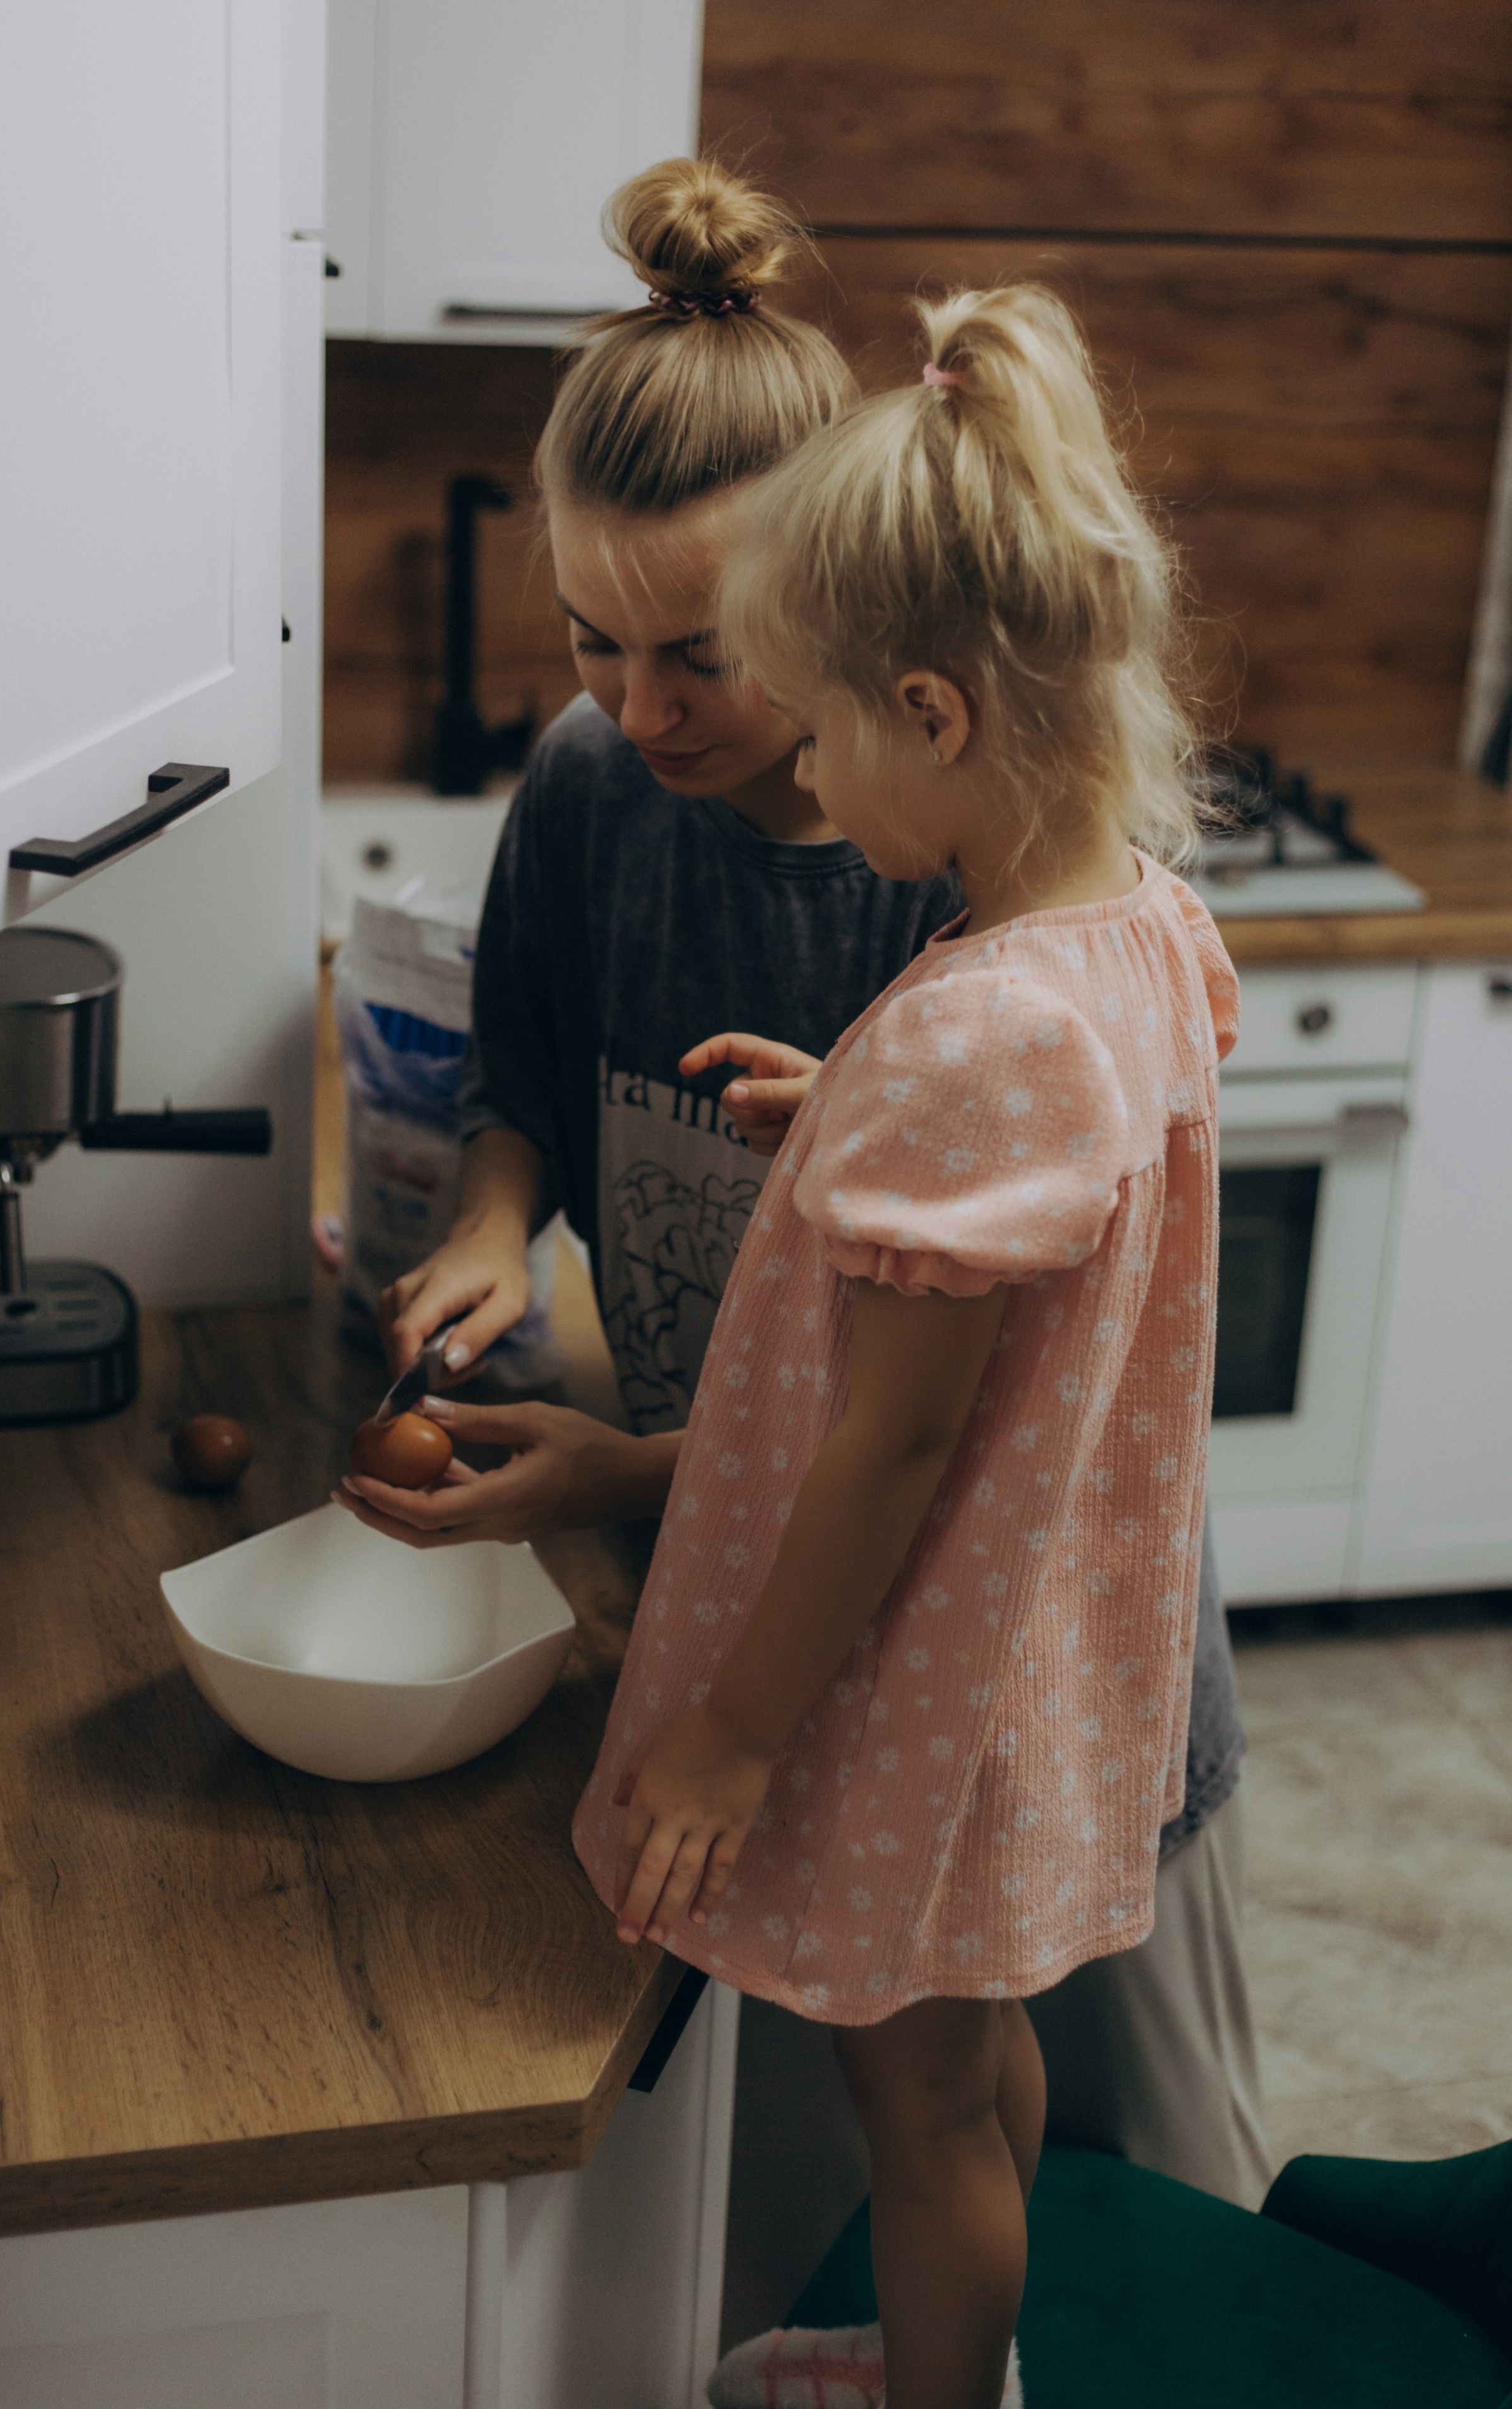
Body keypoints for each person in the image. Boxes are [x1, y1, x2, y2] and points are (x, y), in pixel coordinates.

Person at [334, 154, 1264, 2279]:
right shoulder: (599, 787)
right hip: (777, 1575)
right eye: (588, 638)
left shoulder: (956, 867)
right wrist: (506, 1236)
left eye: (707, 656)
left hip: (1005, 1637)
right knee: (863, 2163)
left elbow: (944, 1425)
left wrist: (650, 1509)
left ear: (865, 645)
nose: (636, 706)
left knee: (1126, 2180)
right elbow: (525, 1072)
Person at [567, 279, 1239, 2409]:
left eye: (818, 721)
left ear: (934, 716)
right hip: (1037, 1643)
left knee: (921, 2109)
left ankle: (939, 2394)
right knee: (984, 2044)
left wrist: (733, 1735)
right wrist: (846, 1108)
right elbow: (1066, 1182)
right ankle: (966, 2357)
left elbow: (888, 1444)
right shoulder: (1130, 920)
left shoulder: (981, 1026)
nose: (807, 766)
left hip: (906, 1659)